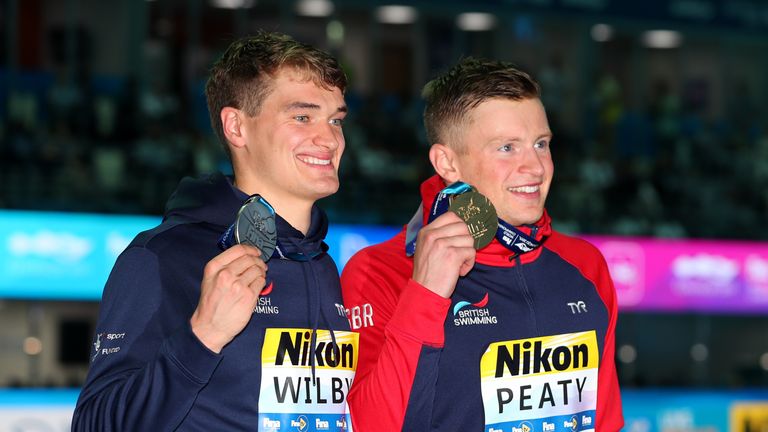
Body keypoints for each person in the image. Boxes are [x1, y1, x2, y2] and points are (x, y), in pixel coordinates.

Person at [73, 31, 357, 431]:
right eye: (302, 116)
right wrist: (202, 336)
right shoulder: (161, 257)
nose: (329, 139)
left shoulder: (323, 264)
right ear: (236, 127)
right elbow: (94, 425)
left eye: (335, 120)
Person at [341, 58, 624, 431]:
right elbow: (372, 425)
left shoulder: (584, 265)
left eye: (541, 144)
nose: (536, 167)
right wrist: (424, 294)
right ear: (447, 162)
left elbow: (602, 421)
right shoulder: (380, 270)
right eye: (507, 148)